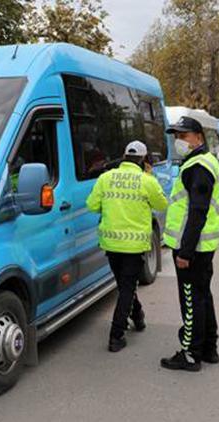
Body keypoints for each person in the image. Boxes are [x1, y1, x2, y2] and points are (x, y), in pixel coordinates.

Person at [86, 141, 168, 352]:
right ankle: (116, 335)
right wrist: (150, 177)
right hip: (134, 245)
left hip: (111, 243)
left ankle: (138, 317)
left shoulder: (105, 178)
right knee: (127, 287)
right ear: (143, 159)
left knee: (125, 285)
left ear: (124, 155)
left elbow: (92, 206)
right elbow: (162, 204)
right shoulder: (146, 180)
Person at [160, 116, 219, 372]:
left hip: (193, 248)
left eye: (183, 136)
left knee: (190, 300)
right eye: (176, 136)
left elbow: (198, 212)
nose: (179, 141)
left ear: (198, 137)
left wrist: (185, 251)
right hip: (202, 247)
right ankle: (209, 348)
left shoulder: (198, 166)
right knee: (202, 296)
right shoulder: (203, 161)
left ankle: (190, 353)